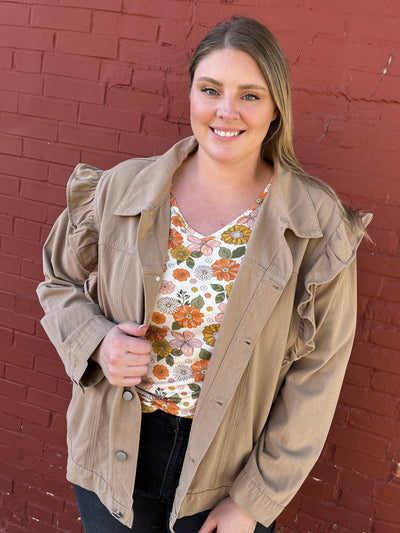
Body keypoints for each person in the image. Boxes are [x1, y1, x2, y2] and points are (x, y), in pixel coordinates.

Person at [37, 16, 371, 533]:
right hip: (112, 456)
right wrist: (98, 342)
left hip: (227, 474)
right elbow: (57, 282)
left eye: (250, 95)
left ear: (277, 106)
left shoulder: (313, 222)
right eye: (210, 89)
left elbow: (319, 374)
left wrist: (253, 501)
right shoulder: (123, 189)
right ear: (190, 93)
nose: (225, 111)